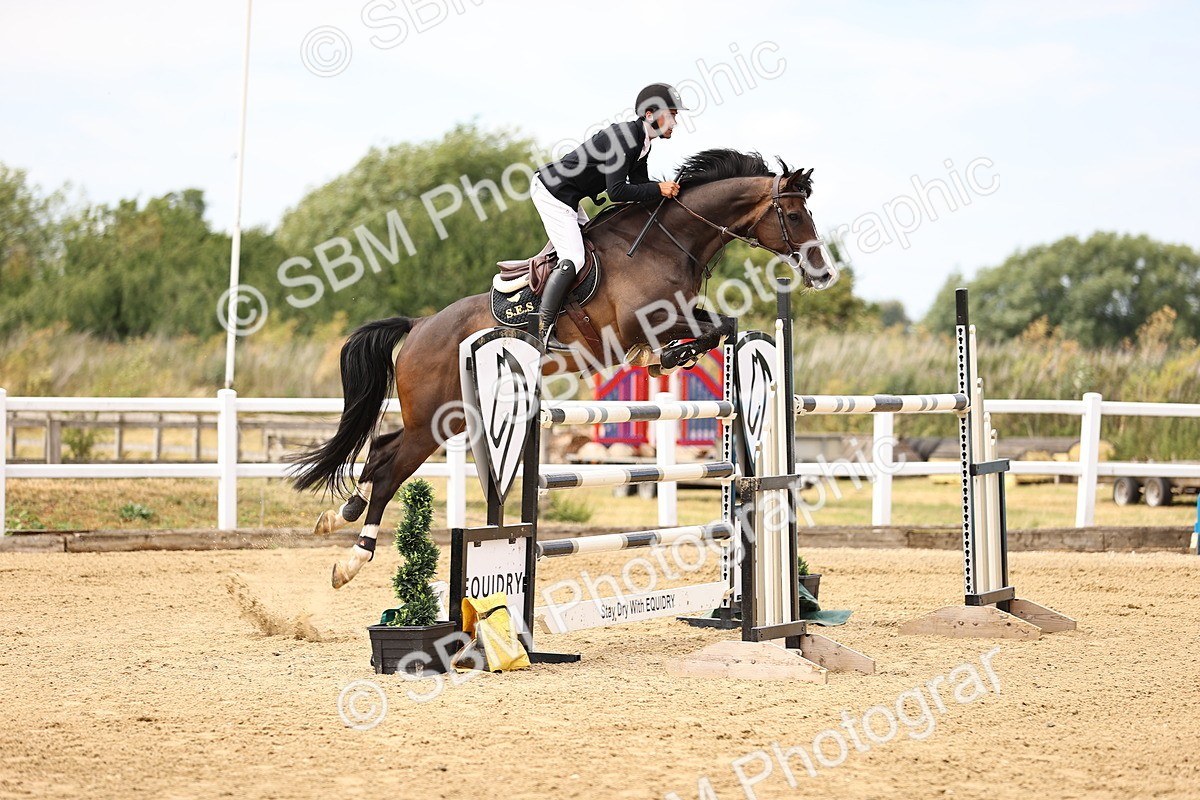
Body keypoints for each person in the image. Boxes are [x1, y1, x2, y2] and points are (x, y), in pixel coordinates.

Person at [531, 83, 688, 347]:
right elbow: (617, 191)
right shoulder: (624, 138)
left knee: (597, 251)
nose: (675, 121)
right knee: (575, 258)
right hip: (552, 192)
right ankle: (541, 330)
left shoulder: (643, 143)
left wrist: (665, 200)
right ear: (650, 114)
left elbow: (640, 188)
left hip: (568, 196)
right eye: (671, 114)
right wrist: (659, 189)